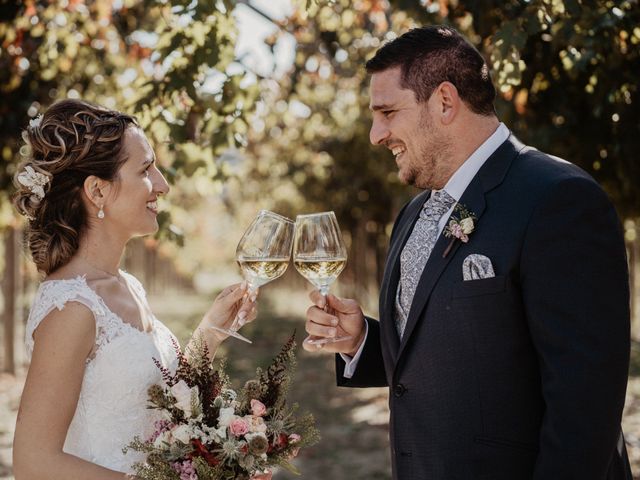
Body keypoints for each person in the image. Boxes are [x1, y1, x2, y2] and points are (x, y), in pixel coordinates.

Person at [304, 25, 632, 479]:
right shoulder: (415, 212)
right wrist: (363, 341)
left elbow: (586, 407)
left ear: (444, 101)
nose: (376, 135)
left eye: (387, 112)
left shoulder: (559, 199)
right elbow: (453, 357)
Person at [12, 99, 258, 479]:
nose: (163, 184)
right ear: (97, 191)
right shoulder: (71, 309)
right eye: (146, 169)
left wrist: (211, 331)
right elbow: (34, 463)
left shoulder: (127, 285)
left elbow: (155, 398)